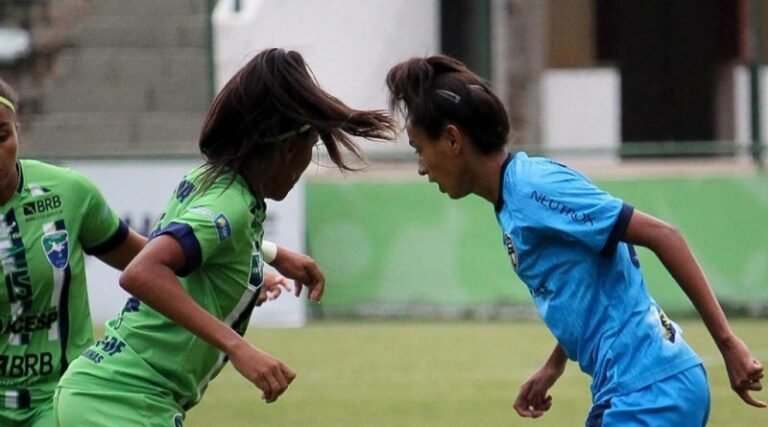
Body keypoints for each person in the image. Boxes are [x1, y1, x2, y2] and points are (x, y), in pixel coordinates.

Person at [385, 55, 765, 425]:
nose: (421, 167)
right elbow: (585, 286)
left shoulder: (532, 190)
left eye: (420, 149)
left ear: (452, 139)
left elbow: (664, 235)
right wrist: (554, 365)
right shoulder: (516, 195)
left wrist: (729, 344)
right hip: (647, 387)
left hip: (647, 392)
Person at [54, 48, 396, 426]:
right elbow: (142, 272)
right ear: (286, 149)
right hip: (122, 400)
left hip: (107, 392)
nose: (305, 162)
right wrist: (239, 348)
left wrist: (269, 255)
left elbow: (201, 249)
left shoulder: (210, 181)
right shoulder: (229, 204)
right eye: (310, 147)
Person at [0, 78, 147, 427]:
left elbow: (154, 263)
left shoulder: (68, 193)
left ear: (18, 132)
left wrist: (246, 274)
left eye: (1, 136)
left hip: (62, 401)